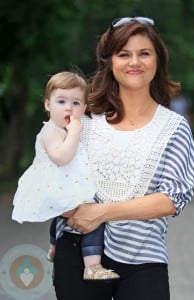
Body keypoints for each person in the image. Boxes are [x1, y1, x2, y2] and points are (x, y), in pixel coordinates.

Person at [53, 17, 194, 300]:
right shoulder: (83, 118)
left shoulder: (174, 127)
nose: (135, 62)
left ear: (158, 60)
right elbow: (51, 172)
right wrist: (67, 207)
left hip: (144, 257)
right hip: (77, 253)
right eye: (124, 54)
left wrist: (102, 212)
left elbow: (172, 198)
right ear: (110, 61)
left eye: (144, 53)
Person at [11, 71, 119, 281]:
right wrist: (75, 133)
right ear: (47, 105)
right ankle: (92, 265)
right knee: (94, 217)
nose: (69, 108)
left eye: (76, 103)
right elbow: (62, 157)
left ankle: (53, 246)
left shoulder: (62, 128)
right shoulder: (51, 131)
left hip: (63, 185)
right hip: (58, 187)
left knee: (64, 215)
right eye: (61, 101)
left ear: (85, 108)